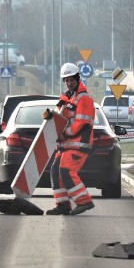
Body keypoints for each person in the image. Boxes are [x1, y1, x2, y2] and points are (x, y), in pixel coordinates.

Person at [43, 63, 96, 216]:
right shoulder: (68, 97)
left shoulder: (83, 98)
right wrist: (50, 116)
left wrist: (65, 133)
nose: (68, 83)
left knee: (66, 170)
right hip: (66, 145)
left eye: (71, 80)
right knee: (55, 171)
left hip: (78, 144)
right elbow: (62, 118)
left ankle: (84, 202)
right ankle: (63, 205)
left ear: (78, 79)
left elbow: (81, 122)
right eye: (66, 80)